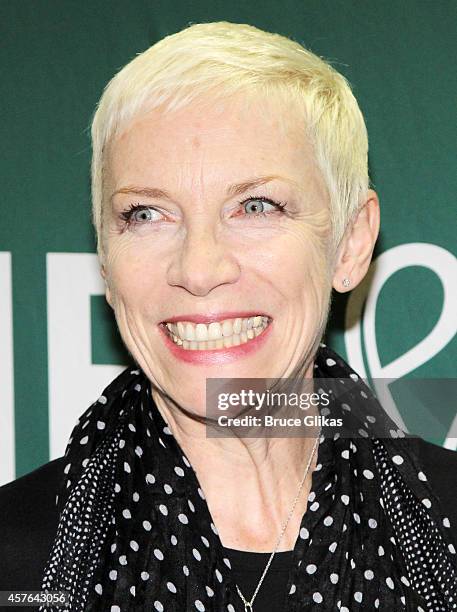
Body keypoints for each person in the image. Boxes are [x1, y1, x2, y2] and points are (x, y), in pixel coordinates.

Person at [1, 21, 456, 612]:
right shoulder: (18, 560)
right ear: (107, 262)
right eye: (146, 214)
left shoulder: (443, 524)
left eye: (256, 206)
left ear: (349, 243)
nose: (198, 267)